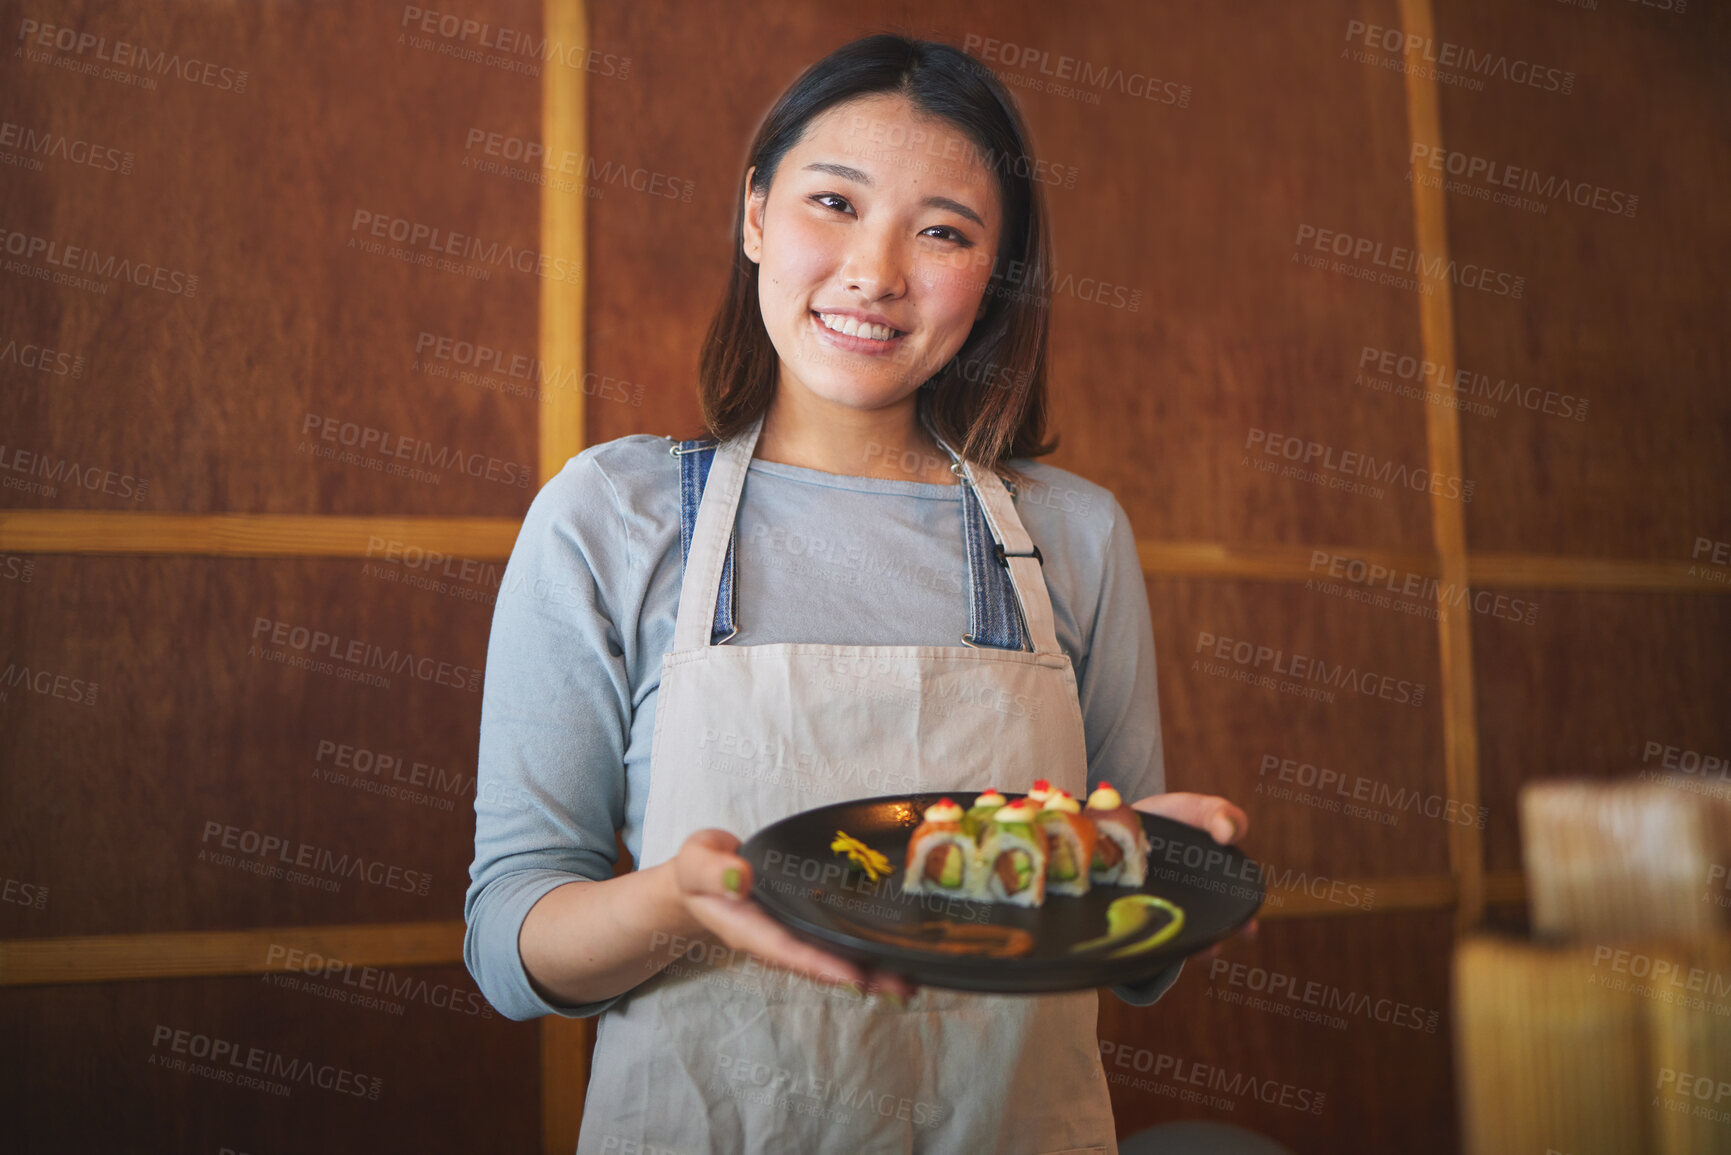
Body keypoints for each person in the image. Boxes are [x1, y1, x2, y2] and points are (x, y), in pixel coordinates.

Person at [465, 33, 1249, 1155]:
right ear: (753, 216)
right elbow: (510, 946)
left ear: (993, 277)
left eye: (943, 232)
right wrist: (683, 899)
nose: (877, 271)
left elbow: (1131, 967)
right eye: (834, 201)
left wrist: (1159, 881)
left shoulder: (1077, 537)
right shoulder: (609, 516)